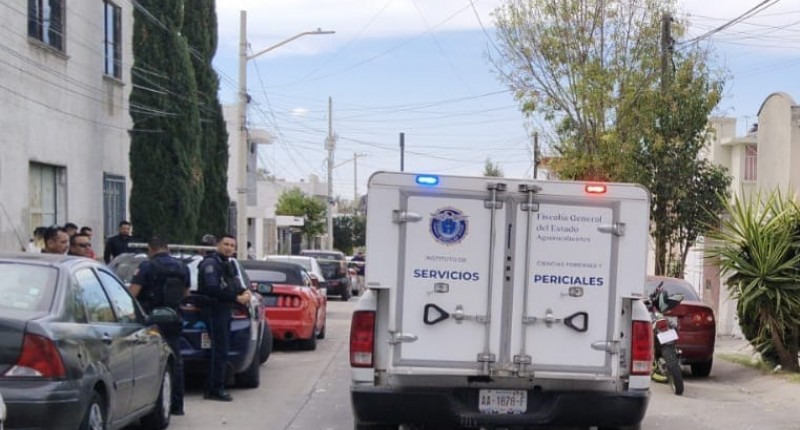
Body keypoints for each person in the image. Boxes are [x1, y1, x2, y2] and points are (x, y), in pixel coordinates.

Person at [129, 237, 190, 416]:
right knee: (176, 362)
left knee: (149, 362)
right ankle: (177, 405)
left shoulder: (147, 266)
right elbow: (186, 293)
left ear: (150, 249)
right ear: (167, 247)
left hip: (151, 320)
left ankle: (150, 405)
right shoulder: (182, 267)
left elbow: (132, 294)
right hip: (173, 319)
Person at [197, 234, 251, 402]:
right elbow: (212, 289)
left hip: (224, 310)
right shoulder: (211, 263)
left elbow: (234, 284)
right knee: (219, 351)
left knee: (222, 350)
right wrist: (236, 298)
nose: (229, 248)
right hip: (214, 310)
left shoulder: (227, 263)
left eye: (232, 246)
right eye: (226, 244)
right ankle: (215, 389)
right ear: (218, 245)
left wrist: (244, 292)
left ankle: (215, 387)